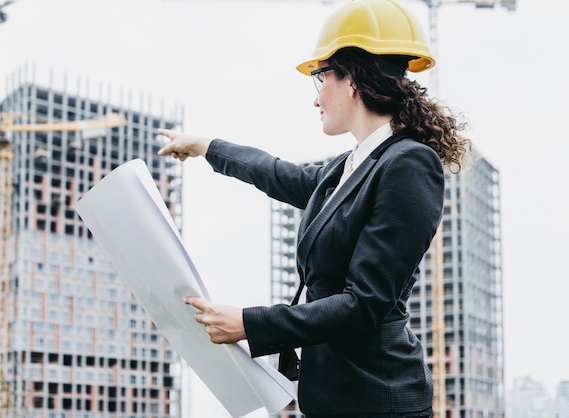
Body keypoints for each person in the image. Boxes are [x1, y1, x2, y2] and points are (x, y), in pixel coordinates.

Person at [158, 0, 470, 416]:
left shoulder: (408, 164)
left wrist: (251, 324)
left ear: (352, 80)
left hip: (377, 399)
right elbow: (277, 173)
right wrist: (206, 147)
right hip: (331, 397)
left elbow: (366, 303)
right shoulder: (348, 167)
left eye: (320, 78)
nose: (316, 97)